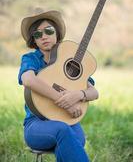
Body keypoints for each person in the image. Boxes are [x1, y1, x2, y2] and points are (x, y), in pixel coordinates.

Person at [18, 8, 99, 162]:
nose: (44, 36)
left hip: (65, 119)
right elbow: (29, 80)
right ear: (33, 40)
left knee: (77, 139)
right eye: (37, 34)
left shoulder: (68, 61)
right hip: (36, 123)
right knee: (63, 131)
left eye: (48, 31)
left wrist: (78, 94)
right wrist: (65, 103)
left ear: (57, 33)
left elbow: (94, 92)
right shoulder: (31, 59)